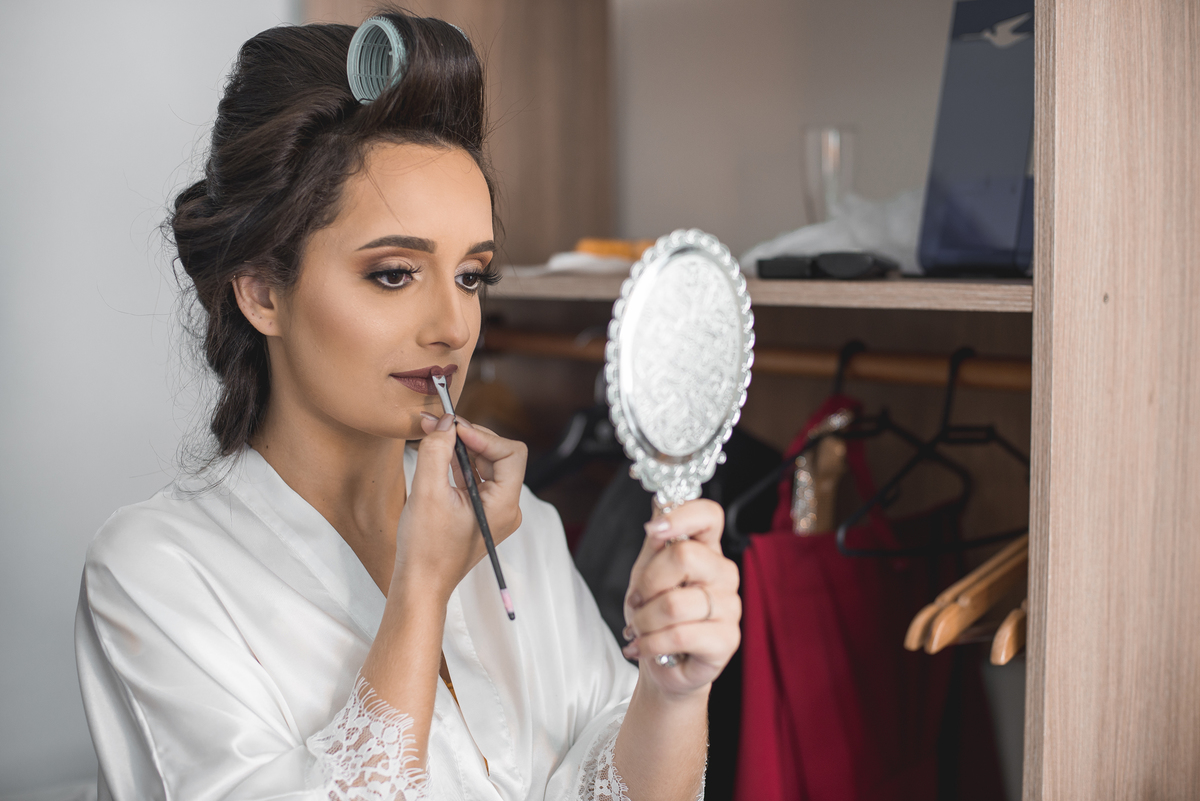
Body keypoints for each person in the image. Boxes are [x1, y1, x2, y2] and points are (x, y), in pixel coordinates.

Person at [74, 10, 741, 801]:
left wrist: (672, 688)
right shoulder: (159, 571)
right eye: (394, 273)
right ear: (260, 291)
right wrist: (420, 590)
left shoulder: (518, 529)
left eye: (471, 276)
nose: (453, 327)